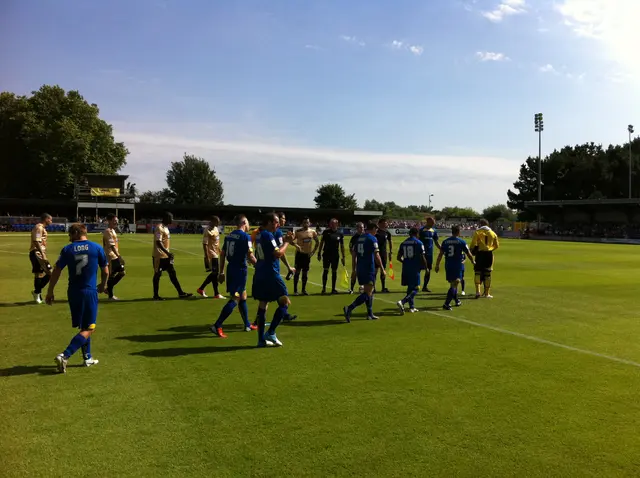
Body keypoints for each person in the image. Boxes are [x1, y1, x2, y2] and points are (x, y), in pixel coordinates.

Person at [45, 223, 109, 373]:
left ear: (73, 234)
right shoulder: (96, 247)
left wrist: (50, 291)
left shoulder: (68, 249)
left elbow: (57, 270)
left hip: (73, 292)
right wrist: (103, 285)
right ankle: (65, 355)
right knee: (90, 328)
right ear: (84, 231)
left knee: (84, 326)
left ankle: (87, 358)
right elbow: (106, 271)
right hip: (89, 291)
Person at [252, 213, 296, 347]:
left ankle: (260, 340)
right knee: (285, 301)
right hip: (270, 273)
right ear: (270, 222)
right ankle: (271, 332)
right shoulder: (267, 235)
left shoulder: (259, 235)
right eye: (276, 222)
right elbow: (277, 253)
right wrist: (287, 242)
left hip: (259, 273)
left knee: (263, 304)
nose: (278, 225)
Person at [211, 215, 258, 337]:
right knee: (236, 298)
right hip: (240, 271)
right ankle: (217, 325)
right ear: (243, 222)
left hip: (231, 269)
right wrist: (261, 267)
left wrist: (221, 272)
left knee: (242, 295)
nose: (249, 225)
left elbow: (222, 254)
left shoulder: (229, 236)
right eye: (248, 222)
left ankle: (247, 324)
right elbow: (250, 256)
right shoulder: (245, 237)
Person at [343, 222, 384, 322]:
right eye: (376, 229)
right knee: (368, 293)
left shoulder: (359, 239)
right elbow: (377, 255)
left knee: (369, 291)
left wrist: (354, 270)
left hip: (360, 268)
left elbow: (354, 255)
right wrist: (382, 268)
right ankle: (350, 308)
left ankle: (370, 314)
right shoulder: (372, 238)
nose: (377, 231)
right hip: (368, 268)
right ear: (373, 228)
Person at [152, 212, 192, 300]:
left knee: (172, 273)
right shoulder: (159, 228)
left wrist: (168, 254)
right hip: (159, 256)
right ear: (166, 218)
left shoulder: (166, 228)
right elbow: (158, 242)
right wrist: (167, 253)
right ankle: (155, 295)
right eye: (171, 218)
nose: (172, 220)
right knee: (157, 275)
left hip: (166, 255)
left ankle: (180, 293)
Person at [435, 225, 476, 310]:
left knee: (453, 284)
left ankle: (457, 300)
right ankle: (446, 304)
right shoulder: (461, 242)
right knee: (455, 284)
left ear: (452, 231)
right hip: (457, 265)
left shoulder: (445, 242)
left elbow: (440, 254)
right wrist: (473, 261)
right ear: (459, 232)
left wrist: (437, 265)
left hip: (448, 265)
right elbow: (468, 253)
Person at [396, 228, 427, 314]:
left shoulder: (403, 243)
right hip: (415, 268)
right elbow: (423, 257)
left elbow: (398, 257)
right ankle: (402, 302)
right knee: (416, 288)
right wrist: (426, 267)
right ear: (416, 233)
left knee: (410, 287)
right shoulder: (419, 243)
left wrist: (405, 262)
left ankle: (411, 307)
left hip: (406, 268)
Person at [469, 218, 500, 298]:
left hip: (480, 254)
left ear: (481, 224)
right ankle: (487, 293)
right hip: (489, 254)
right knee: (487, 274)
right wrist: (490, 249)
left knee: (477, 272)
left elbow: (473, 244)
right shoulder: (493, 233)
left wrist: (471, 250)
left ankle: (477, 292)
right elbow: (496, 246)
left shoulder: (478, 232)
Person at [197, 216, 225, 299]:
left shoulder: (216, 229)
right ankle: (206, 290)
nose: (218, 223)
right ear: (212, 221)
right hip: (211, 254)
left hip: (216, 253)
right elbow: (205, 244)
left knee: (214, 273)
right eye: (217, 222)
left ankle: (211, 292)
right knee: (215, 273)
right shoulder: (207, 230)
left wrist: (219, 250)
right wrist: (206, 256)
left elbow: (216, 241)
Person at [29, 213, 53, 304]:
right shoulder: (39, 227)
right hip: (37, 253)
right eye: (50, 219)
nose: (51, 221)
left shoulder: (42, 228)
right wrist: (42, 254)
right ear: (46, 219)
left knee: (50, 273)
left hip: (40, 253)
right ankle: (37, 293)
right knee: (40, 274)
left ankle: (36, 292)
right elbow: (36, 241)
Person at [317, 218, 346, 294]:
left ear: (337, 224)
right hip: (326, 255)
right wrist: (319, 253)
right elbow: (321, 243)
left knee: (334, 272)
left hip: (335, 255)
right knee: (325, 271)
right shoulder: (326, 232)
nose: (332, 225)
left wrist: (343, 257)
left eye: (333, 223)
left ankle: (333, 289)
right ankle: (324, 288)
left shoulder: (340, 233)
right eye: (331, 223)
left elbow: (342, 246)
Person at [293, 217, 319, 295]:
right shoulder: (298, 232)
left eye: (307, 222)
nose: (305, 224)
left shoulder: (313, 232)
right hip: (299, 254)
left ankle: (303, 290)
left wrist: (313, 252)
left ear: (309, 223)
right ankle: (295, 290)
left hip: (307, 255)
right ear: (302, 223)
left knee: (305, 273)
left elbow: (317, 242)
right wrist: (296, 245)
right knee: (297, 272)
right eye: (304, 222)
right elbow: (290, 241)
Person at [102, 213, 126, 300]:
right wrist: (119, 256)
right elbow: (112, 246)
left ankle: (107, 290)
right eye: (115, 221)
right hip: (111, 256)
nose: (116, 222)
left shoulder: (112, 231)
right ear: (109, 221)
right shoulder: (108, 231)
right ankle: (110, 295)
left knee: (120, 273)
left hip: (114, 256)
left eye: (117, 221)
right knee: (113, 275)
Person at [419, 216, 441, 292]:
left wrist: (441, 249)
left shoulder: (434, 231)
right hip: (421, 253)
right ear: (428, 222)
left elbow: (436, 242)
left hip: (429, 254)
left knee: (428, 270)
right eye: (432, 222)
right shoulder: (421, 230)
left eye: (434, 222)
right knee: (418, 269)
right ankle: (415, 285)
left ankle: (425, 286)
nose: (433, 223)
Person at [274, 212, 296, 281]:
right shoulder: (278, 232)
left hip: (265, 266)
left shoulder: (269, 231)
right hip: (273, 266)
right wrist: (287, 241)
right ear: (278, 219)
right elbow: (280, 253)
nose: (285, 220)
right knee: (282, 291)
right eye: (283, 218)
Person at [374, 217, 393, 293]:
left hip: (384, 254)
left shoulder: (387, 233)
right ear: (381, 223)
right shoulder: (376, 232)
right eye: (385, 223)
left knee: (383, 270)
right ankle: (373, 287)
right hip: (376, 253)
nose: (387, 224)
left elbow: (390, 241)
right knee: (375, 271)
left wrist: (390, 251)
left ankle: (383, 287)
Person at [348, 222, 365, 293]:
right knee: (354, 272)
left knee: (364, 273)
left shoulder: (366, 236)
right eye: (360, 228)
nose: (362, 229)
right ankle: (351, 288)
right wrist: (354, 256)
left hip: (364, 258)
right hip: (356, 258)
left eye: (363, 227)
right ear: (357, 228)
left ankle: (363, 287)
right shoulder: (354, 238)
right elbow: (350, 248)